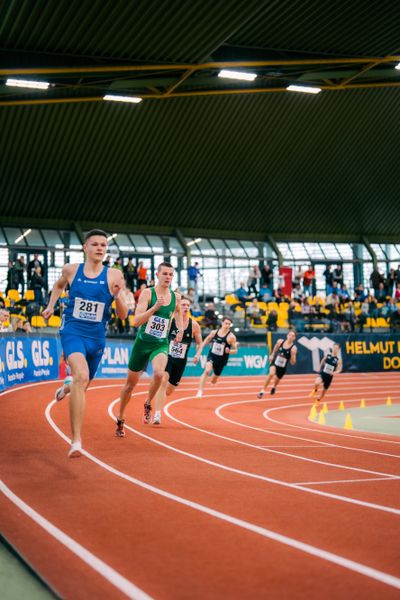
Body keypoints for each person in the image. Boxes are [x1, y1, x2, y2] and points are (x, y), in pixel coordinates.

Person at [42, 229, 128, 458]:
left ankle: (65, 388)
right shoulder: (71, 270)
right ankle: (76, 441)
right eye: (95, 244)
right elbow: (59, 286)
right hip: (72, 331)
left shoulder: (115, 276)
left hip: (97, 337)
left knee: (82, 383)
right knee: (81, 376)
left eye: (103, 245)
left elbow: (123, 315)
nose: (100, 248)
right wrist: (51, 305)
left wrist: (118, 296)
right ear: (85, 247)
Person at [115, 262, 183, 435]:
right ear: (157, 275)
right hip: (142, 343)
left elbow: (178, 314)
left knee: (160, 374)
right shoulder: (147, 293)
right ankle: (121, 418)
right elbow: (136, 321)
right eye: (165, 274)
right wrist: (155, 307)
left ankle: (147, 403)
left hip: (160, 343)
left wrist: (180, 329)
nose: (168, 277)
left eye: (171, 274)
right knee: (129, 386)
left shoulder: (176, 297)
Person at [153, 296, 203, 424]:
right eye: (183, 305)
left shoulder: (195, 325)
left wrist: (197, 354)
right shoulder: (171, 321)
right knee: (163, 380)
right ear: (178, 307)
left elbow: (200, 343)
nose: (185, 307)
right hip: (167, 355)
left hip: (181, 361)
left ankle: (160, 399)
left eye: (187, 305)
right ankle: (157, 414)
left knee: (169, 391)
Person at [195, 317, 237, 398]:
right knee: (207, 371)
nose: (227, 325)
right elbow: (206, 341)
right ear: (222, 323)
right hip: (212, 355)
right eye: (226, 323)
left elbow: (235, 350)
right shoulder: (214, 332)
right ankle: (199, 391)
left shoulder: (231, 337)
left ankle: (214, 380)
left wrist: (229, 351)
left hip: (221, 359)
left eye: (229, 324)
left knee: (214, 380)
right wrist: (200, 349)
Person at [257, 330, 297, 397]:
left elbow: (293, 362)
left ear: (294, 338)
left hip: (282, 366)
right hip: (275, 362)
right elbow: (276, 347)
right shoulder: (280, 341)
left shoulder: (293, 348)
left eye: (292, 336)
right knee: (271, 374)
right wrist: (272, 354)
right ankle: (262, 391)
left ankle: (274, 386)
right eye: (290, 335)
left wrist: (292, 356)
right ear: (287, 335)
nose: (290, 337)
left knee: (277, 379)